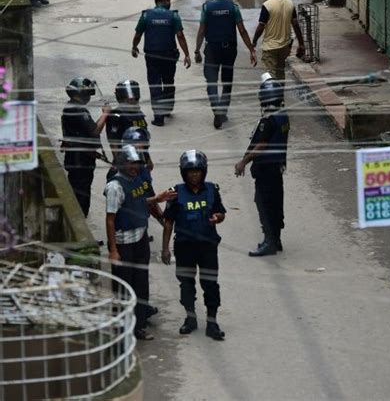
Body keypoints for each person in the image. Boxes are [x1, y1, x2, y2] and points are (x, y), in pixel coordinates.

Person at [105, 144, 177, 340]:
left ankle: (138, 326)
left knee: (141, 284)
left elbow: (139, 202)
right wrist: (113, 250)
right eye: (130, 163)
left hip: (140, 239)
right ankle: (122, 329)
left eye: (137, 163)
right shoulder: (115, 186)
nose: (134, 167)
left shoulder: (137, 181)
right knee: (124, 288)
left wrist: (158, 198)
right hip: (124, 243)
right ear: (122, 164)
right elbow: (110, 219)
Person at [162, 149, 226, 341]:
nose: (194, 175)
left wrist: (219, 218)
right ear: (184, 173)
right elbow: (168, 223)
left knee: (210, 284)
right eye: (190, 172)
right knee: (186, 285)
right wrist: (165, 249)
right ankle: (190, 319)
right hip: (184, 247)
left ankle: (212, 322)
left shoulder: (212, 190)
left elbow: (221, 213)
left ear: (203, 171)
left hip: (207, 247)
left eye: (198, 171)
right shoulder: (175, 193)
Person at [234, 75, 289, 256]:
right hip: (277, 167)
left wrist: (244, 161)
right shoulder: (283, 116)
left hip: (266, 168)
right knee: (275, 202)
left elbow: (261, 145)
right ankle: (276, 238)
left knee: (263, 203)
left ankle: (269, 241)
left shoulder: (268, 120)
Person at [195, 0, 257, 129]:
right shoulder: (233, 8)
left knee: (211, 82)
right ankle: (222, 112)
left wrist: (197, 50)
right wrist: (251, 49)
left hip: (212, 50)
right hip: (229, 49)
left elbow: (202, 30)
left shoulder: (207, 8)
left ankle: (217, 111)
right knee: (227, 81)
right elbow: (242, 30)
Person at [132, 0, 191, 126]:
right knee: (168, 81)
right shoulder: (173, 16)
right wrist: (187, 54)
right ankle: (168, 108)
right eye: (168, 0)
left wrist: (134, 47)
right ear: (164, 1)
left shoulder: (146, 16)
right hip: (169, 56)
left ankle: (158, 117)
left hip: (152, 56)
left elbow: (138, 34)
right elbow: (180, 36)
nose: (170, 3)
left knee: (155, 84)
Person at [61, 77, 110, 216]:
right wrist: (105, 114)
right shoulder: (77, 110)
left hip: (77, 157)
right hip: (80, 160)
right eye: (87, 94)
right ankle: (80, 223)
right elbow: (94, 131)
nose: (89, 97)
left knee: (80, 190)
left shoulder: (71, 107)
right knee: (81, 193)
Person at [252, 0, 306, 82]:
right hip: (284, 47)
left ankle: (274, 98)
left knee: (270, 77)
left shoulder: (267, 5)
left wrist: (254, 42)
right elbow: (295, 24)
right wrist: (301, 44)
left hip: (270, 47)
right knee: (280, 74)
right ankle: (280, 97)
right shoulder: (289, 3)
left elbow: (261, 26)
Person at [106, 80, 148, 164]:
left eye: (135, 99)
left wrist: (148, 159)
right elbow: (113, 142)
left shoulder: (138, 114)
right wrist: (118, 163)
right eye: (129, 100)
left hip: (140, 159)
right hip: (125, 160)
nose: (134, 102)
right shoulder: (116, 116)